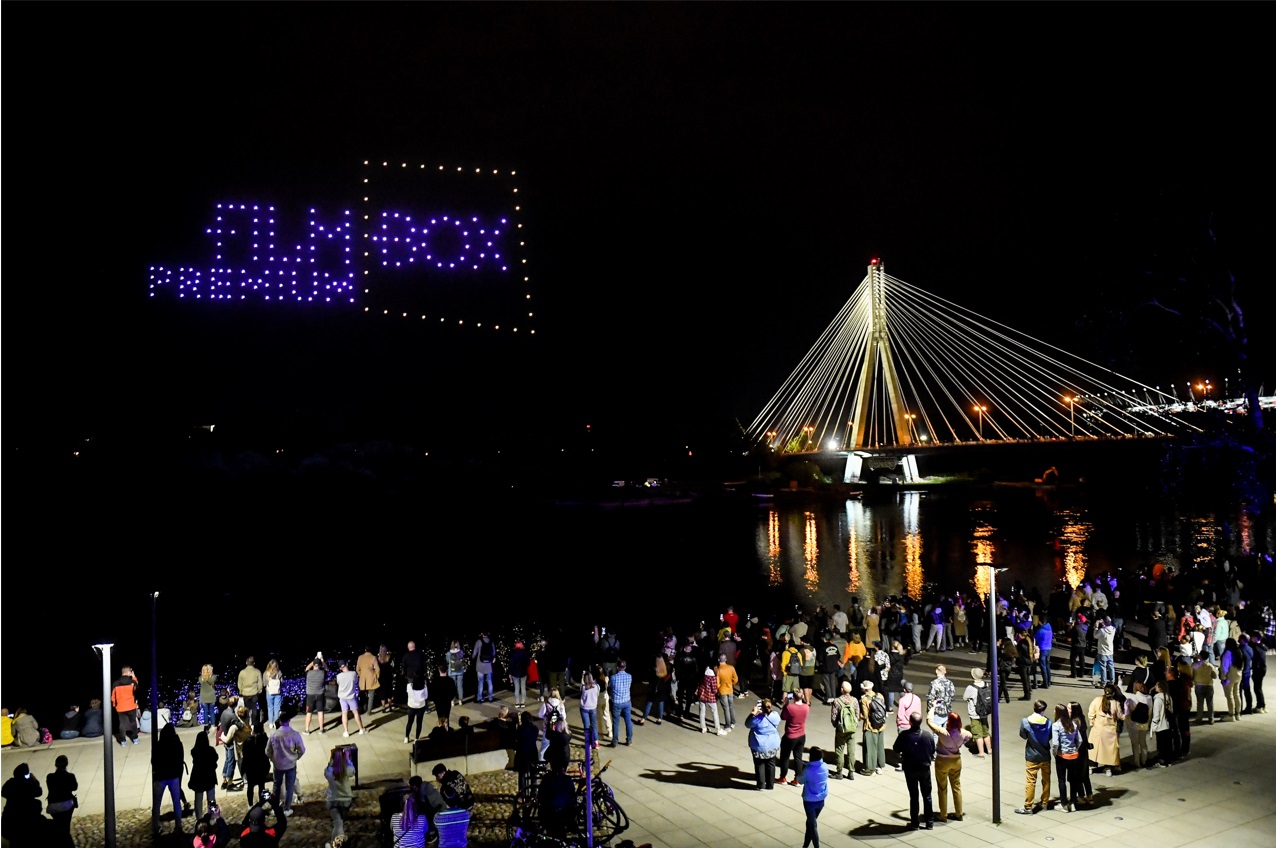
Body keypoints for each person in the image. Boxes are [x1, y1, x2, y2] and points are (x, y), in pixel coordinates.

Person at [894, 711, 936, 830]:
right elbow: (933, 750)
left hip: (910, 769)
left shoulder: (904, 735)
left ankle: (914, 822)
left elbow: (896, 748)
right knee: (927, 795)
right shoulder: (927, 735)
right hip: (924, 769)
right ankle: (929, 822)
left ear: (910, 722)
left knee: (914, 796)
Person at [928, 710, 969, 822]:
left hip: (942, 761)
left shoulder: (943, 732)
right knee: (956, 786)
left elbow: (930, 722)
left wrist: (932, 709)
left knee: (942, 788)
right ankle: (959, 813)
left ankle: (943, 814)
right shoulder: (963, 733)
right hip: (956, 760)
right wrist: (961, 743)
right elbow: (969, 736)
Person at [1015, 699, 1053, 815]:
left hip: (1032, 755)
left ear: (1034, 708)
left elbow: (1023, 735)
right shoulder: (1048, 722)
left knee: (1030, 781)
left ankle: (1028, 806)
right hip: (1045, 755)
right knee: (1046, 780)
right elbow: (1050, 736)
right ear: (1044, 710)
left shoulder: (1026, 722)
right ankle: (1045, 802)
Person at [266, 712, 306, 815]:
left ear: (280, 721)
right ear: (289, 721)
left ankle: (275, 808)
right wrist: (296, 757)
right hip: (290, 764)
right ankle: (287, 808)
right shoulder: (294, 734)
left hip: (278, 765)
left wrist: (273, 759)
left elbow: (267, 751)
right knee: (290, 786)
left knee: (276, 786)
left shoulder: (274, 735)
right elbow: (302, 749)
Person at [151, 723, 186, 837]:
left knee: (157, 804)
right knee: (176, 803)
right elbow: (180, 758)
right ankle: (178, 826)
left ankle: (156, 827)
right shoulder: (177, 743)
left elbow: (153, 761)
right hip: (174, 776)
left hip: (161, 777)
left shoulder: (158, 745)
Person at [1, 763, 45, 847]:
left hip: (11, 823)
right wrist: (34, 780)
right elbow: (39, 792)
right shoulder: (29, 783)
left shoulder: (11, 782)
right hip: (27, 821)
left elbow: (3, 793)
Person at [795, 746, 829, 848]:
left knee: (812, 825)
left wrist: (799, 772)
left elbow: (800, 780)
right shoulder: (825, 766)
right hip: (821, 799)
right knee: (810, 823)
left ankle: (816, 846)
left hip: (810, 801)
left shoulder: (808, 770)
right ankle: (805, 845)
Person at [1087, 685, 1124, 776]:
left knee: (1094, 749)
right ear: (1113, 693)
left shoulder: (1097, 700)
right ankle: (1108, 768)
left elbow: (1091, 713)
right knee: (1109, 750)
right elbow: (1121, 716)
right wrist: (1127, 710)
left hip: (1098, 729)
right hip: (1110, 731)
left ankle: (1091, 766)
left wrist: (1092, 723)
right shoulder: (1116, 704)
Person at [747, 697, 781, 789]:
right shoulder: (775, 715)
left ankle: (761, 785)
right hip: (772, 744)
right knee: (771, 763)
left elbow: (747, 724)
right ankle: (770, 784)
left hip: (759, 745)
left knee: (759, 764)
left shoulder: (757, 719)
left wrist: (753, 713)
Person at [777, 690, 810, 785]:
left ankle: (783, 777)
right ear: (802, 696)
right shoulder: (806, 707)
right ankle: (797, 779)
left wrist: (786, 704)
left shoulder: (790, 707)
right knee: (798, 757)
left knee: (785, 757)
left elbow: (783, 717)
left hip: (790, 735)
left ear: (793, 697)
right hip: (801, 735)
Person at [828, 680, 859, 780]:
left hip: (841, 730)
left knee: (839, 750)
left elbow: (833, 717)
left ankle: (839, 772)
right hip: (852, 729)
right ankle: (851, 772)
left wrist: (836, 726)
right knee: (851, 751)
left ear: (842, 689)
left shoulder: (837, 701)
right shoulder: (854, 700)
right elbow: (857, 715)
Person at [325, 745, 355, 846]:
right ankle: (336, 844)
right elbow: (352, 771)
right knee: (339, 823)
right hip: (345, 801)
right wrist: (347, 759)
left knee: (338, 823)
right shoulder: (346, 770)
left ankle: (335, 844)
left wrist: (331, 758)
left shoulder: (329, 771)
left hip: (332, 800)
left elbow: (327, 771)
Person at [45, 754, 78, 841]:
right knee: (66, 825)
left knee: (58, 825)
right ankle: (66, 841)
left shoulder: (50, 777)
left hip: (54, 805)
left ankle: (60, 840)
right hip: (67, 804)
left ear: (56, 764)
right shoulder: (70, 776)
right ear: (66, 764)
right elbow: (75, 787)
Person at [189, 729, 220, 822]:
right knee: (211, 799)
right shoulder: (211, 750)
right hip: (209, 777)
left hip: (198, 778)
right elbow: (215, 759)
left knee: (198, 800)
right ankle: (213, 817)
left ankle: (199, 818)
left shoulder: (194, 751)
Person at [860, 679, 888, 775]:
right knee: (880, 746)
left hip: (870, 726)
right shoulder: (880, 695)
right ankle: (879, 766)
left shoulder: (864, 699)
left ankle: (870, 768)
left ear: (864, 689)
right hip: (881, 725)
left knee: (870, 747)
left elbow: (865, 715)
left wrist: (858, 716)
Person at [240, 723, 271, 807]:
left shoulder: (248, 741)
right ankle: (262, 803)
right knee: (261, 786)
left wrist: (243, 769)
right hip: (261, 766)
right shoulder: (264, 740)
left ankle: (250, 804)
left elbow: (245, 755)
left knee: (250, 787)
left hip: (251, 768)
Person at [894, 679, 921, 770]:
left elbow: (900, 715)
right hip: (915, 725)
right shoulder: (917, 699)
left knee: (904, 747)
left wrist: (899, 723)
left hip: (904, 725)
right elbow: (919, 713)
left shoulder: (902, 700)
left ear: (904, 689)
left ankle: (904, 765)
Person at [111, 666, 141, 746]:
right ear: (128, 672)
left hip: (120, 707)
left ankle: (123, 741)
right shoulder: (132, 682)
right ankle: (135, 739)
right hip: (131, 706)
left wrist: (115, 705)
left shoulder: (116, 683)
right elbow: (136, 688)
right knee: (133, 723)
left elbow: (113, 696)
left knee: (122, 724)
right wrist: (134, 677)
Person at [336, 659, 367, 737]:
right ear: (346, 664)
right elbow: (356, 681)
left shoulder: (338, 676)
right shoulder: (353, 674)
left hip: (342, 697)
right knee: (355, 713)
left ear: (340, 668)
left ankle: (346, 731)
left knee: (344, 713)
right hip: (351, 697)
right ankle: (361, 729)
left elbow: (338, 683)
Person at [1124, 680, 1151, 768]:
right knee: (1143, 743)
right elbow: (1150, 711)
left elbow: (1122, 692)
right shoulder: (1149, 698)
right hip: (1144, 723)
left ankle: (1137, 762)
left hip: (1134, 724)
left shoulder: (1133, 697)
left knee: (1135, 744)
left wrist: (1120, 682)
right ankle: (1144, 760)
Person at [514, 711, 541, 797]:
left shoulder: (520, 729)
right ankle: (534, 792)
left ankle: (522, 793)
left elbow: (517, 739)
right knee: (533, 774)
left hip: (522, 754)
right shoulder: (535, 729)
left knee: (522, 774)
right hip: (532, 753)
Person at [609, 659, 634, 746]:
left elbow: (610, 687)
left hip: (616, 702)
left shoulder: (613, 677)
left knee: (616, 722)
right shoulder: (629, 676)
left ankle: (615, 742)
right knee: (628, 721)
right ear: (625, 667)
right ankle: (629, 740)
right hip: (626, 701)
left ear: (617, 667)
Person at [305, 654, 329, 734]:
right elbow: (326, 669)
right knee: (320, 712)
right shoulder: (322, 673)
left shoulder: (309, 673)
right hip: (320, 695)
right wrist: (322, 660)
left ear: (313, 665)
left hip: (310, 695)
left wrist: (313, 661)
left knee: (309, 712)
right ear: (320, 665)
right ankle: (321, 729)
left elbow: (307, 668)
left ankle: (307, 730)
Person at [1192, 652, 1218, 724]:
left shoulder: (1196, 665)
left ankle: (1199, 718)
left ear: (1200, 656)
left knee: (1200, 703)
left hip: (1199, 685)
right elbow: (1215, 676)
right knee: (1210, 703)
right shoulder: (1210, 666)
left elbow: (1192, 674)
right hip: (1209, 685)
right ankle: (1211, 718)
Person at [239, 656, 265, 728]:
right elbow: (260, 683)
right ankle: (253, 723)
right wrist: (259, 690)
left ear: (246, 663)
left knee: (246, 709)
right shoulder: (257, 671)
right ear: (254, 663)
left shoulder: (242, 672)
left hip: (245, 693)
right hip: (254, 693)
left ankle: (247, 723)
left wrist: (241, 691)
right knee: (254, 708)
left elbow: (239, 684)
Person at [404, 672, 429, 744]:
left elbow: (407, 692)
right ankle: (416, 738)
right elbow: (426, 696)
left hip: (411, 706)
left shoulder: (409, 686)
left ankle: (406, 737)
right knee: (419, 723)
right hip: (421, 706)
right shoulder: (424, 687)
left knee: (410, 722)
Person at [473, 631, 497, 703]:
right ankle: (490, 697)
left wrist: (473, 657)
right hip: (489, 665)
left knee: (480, 682)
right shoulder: (491, 642)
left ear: (482, 634)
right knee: (489, 681)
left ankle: (479, 697)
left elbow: (474, 653)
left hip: (480, 665)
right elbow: (494, 652)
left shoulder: (479, 641)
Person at [357, 646, 381, 716]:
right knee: (371, 696)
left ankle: (362, 709)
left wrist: (361, 675)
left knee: (363, 696)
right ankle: (369, 711)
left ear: (365, 650)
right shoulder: (373, 657)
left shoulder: (360, 657)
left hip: (363, 679)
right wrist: (376, 676)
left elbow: (357, 669)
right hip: (371, 679)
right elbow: (378, 669)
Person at [580, 670, 600, 750]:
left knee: (587, 726)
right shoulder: (597, 687)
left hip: (584, 708)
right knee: (594, 725)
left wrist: (582, 676)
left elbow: (582, 684)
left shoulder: (583, 688)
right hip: (593, 707)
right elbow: (597, 695)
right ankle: (596, 742)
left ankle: (589, 744)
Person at [433, 665, 457, 730]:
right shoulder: (450, 680)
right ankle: (446, 729)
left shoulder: (435, 680)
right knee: (447, 717)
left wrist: (435, 700)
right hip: (447, 702)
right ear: (447, 670)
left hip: (438, 702)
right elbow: (454, 692)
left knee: (439, 717)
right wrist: (449, 699)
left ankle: (440, 730)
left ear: (439, 670)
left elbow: (432, 692)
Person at [508, 639, 532, 708]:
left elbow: (511, 664)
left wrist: (510, 673)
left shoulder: (514, 654)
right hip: (523, 672)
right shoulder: (525, 653)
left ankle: (517, 703)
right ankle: (523, 702)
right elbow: (528, 663)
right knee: (523, 687)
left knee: (516, 688)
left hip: (515, 673)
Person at [263, 659, 285, 728]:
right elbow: (282, 682)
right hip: (278, 692)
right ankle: (276, 722)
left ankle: (270, 723)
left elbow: (264, 684)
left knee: (270, 708)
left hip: (269, 692)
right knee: (277, 708)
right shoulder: (279, 672)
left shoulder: (266, 673)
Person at [199, 664, 220, 732]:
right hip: (208, 697)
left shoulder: (210, 677)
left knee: (209, 711)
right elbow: (210, 682)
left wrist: (206, 677)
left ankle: (209, 725)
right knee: (209, 712)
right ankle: (209, 725)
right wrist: (207, 677)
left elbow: (211, 681)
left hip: (208, 697)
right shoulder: (203, 678)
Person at [446, 640, 468, 705]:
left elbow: (447, 661)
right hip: (460, 671)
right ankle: (460, 700)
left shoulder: (449, 653)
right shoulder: (461, 652)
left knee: (452, 686)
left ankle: (452, 701)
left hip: (452, 671)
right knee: (460, 686)